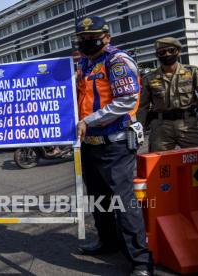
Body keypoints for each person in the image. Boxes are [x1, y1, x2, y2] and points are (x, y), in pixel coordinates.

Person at [75, 16, 152, 276]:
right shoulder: (84, 63)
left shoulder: (117, 61)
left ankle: (141, 262)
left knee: (123, 202)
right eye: (82, 38)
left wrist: (88, 120)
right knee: (98, 199)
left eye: (92, 36)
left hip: (115, 143)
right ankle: (107, 242)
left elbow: (126, 101)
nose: (86, 41)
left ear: (107, 36)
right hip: (90, 144)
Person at [138, 37, 198, 152]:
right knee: (159, 165)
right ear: (157, 55)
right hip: (161, 127)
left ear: (178, 52)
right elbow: (143, 106)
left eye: (171, 50)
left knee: (194, 160)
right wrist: (140, 129)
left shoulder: (192, 72)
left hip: (189, 125)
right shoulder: (149, 78)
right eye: (162, 52)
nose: (167, 54)